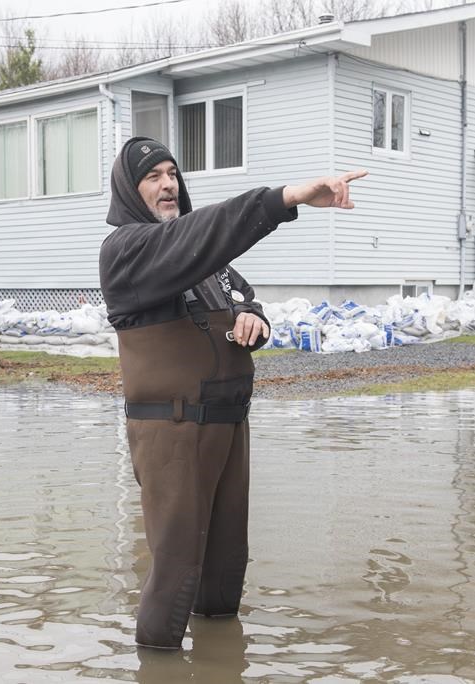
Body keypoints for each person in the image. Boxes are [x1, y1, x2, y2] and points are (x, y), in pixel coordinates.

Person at [99, 136, 366, 649]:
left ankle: (222, 655)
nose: (168, 185)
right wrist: (284, 197)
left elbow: (244, 296)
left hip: (225, 423)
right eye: (153, 177)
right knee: (176, 567)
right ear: (130, 192)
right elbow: (209, 230)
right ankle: (158, 663)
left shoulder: (206, 262)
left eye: (173, 174)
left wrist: (253, 319)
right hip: (172, 430)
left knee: (225, 561)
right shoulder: (128, 251)